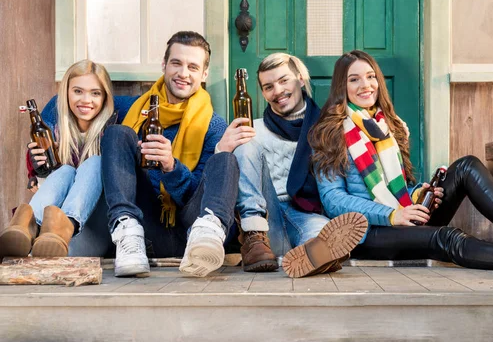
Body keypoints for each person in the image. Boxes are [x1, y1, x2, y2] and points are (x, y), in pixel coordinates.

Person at [309, 49, 493, 274]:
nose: (366, 85)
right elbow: (333, 200)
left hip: (402, 219)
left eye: (371, 76)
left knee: (466, 166)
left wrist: (420, 195)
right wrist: (392, 216)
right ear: (341, 86)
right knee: (446, 238)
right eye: (354, 79)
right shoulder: (329, 132)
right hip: (368, 234)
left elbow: (397, 190)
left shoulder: (386, 127)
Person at [101, 31, 239, 278]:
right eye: (176, 63)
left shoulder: (213, 125)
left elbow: (196, 194)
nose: (183, 73)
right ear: (164, 65)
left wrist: (171, 167)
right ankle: (126, 229)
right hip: (146, 231)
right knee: (117, 134)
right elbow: (69, 99)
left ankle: (208, 234)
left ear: (204, 74)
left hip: (190, 232)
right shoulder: (133, 108)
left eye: (193, 67)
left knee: (225, 159)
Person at [224, 53, 368, 278]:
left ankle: (311, 256)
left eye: (284, 81)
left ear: (300, 79)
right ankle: (253, 239)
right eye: (268, 86)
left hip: (304, 214)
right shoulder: (254, 128)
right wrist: (223, 148)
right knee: (245, 142)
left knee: (322, 235)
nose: (278, 91)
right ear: (262, 93)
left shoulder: (326, 128)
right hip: (264, 223)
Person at [0, 60, 116, 259]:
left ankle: (64, 226)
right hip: (46, 238)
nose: (86, 100)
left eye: (95, 93)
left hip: (87, 232)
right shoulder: (53, 135)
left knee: (95, 163)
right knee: (64, 171)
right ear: (66, 93)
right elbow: (41, 188)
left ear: (105, 97)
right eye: (78, 91)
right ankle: (27, 228)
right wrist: (40, 172)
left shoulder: (113, 133)